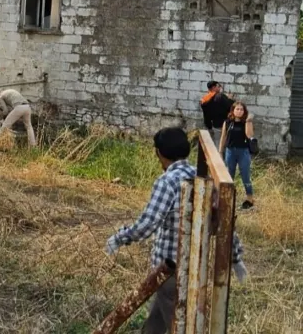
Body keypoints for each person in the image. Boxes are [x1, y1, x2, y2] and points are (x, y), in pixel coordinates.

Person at [105, 127, 247, 334]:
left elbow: (147, 224)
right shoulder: (202, 178)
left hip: (170, 269)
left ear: (158, 153)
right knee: (155, 322)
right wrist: (236, 258)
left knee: (176, 324)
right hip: (194, 267)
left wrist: (119, 238)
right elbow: (222, 221)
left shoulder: (167, 182)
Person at [219, 101, 255, 210]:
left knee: (245, 176)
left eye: (241, 109)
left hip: (243, 152)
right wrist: (220, 151)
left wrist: (248, 120)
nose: (239, 111)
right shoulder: (227, 122)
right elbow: (223, 137)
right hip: (230, 151)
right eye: (237, 109)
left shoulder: (246, 122)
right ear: (233, 110)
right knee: (229, 175)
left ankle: (249, 198)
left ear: (244, 111)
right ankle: (228, 198)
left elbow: (249, 135)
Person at [201, 81, 234, 147]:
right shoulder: (220, 97)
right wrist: (230, 99)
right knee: (221, 144)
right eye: (218, 86)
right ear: (214, 87)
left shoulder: (205, 99)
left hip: (211, 125)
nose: (220, 88)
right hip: (221, 125)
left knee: (213, 144)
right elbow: (231, 106)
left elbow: (206, 113)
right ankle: (219, 157)